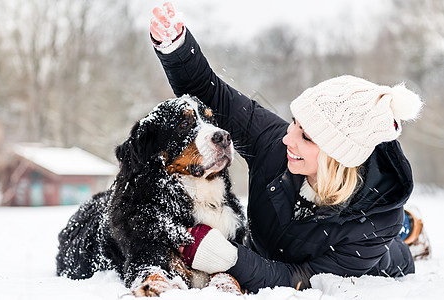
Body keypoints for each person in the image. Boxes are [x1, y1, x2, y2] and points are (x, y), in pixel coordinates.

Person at [149, 3, 429, 293]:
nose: (288, 138)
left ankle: (409, 232)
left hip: (370, 247)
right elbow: (212, 95)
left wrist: (231, 257)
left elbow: (300, 279)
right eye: (295, 122)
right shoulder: (273, 142)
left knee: (394, 256)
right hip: (272, 244)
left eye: (306, 136)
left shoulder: (375, 224)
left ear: (338, 157)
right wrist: (175, 46)